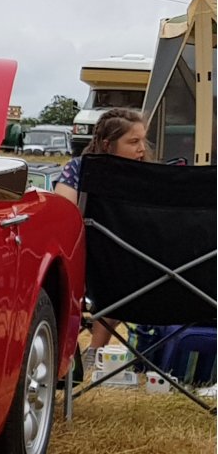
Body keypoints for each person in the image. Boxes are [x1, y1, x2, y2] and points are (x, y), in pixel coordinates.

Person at [53, 107, 149, 371]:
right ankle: (95, 351)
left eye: (143, 140)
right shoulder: (152, 178)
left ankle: (94, 351)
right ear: (108, 144)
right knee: (115, 272)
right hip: (140, 267)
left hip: (120, 264)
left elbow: (64, 211)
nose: (142, 148)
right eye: (133, 141)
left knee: (114, 272)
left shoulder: (80, 170)